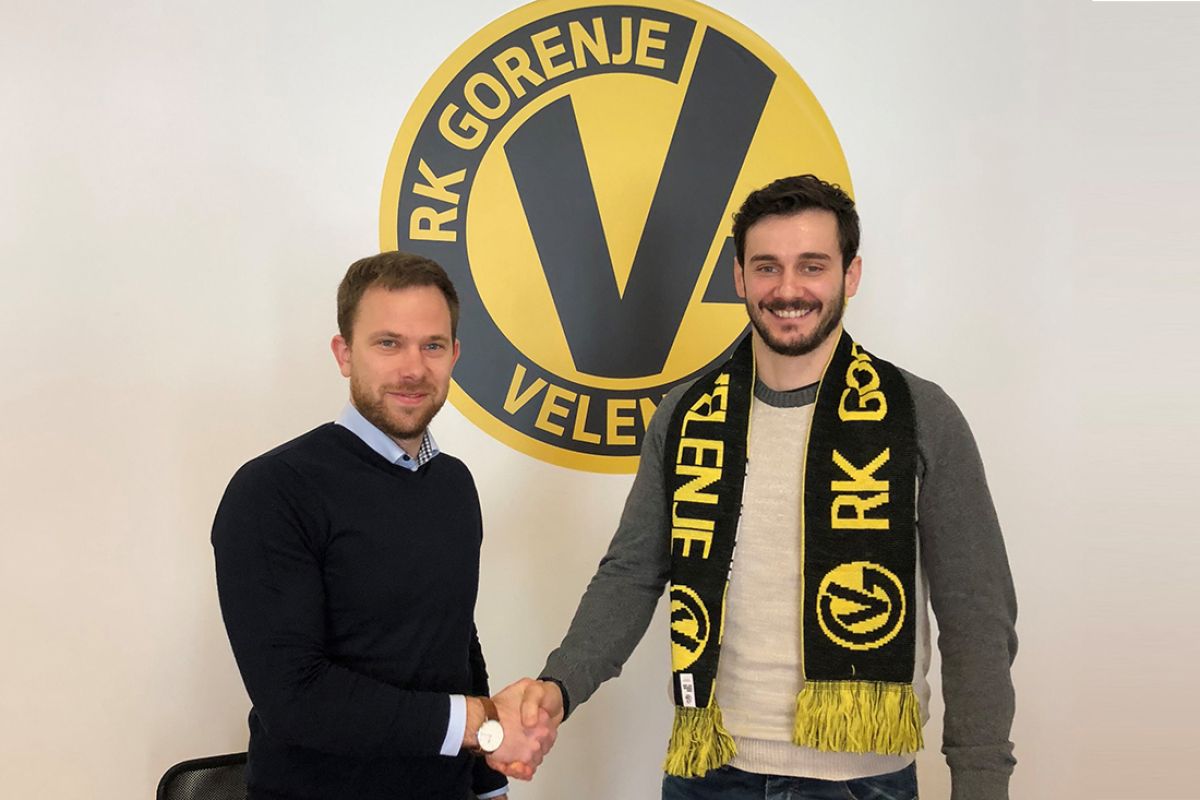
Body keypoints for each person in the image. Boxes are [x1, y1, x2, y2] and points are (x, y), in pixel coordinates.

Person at [509, 176, 1018, 799]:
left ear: (851, 275)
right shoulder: (685, 414)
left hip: (858, 781)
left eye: (812, 266)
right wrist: (559, 685)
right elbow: (633, 573)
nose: (787, 289)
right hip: (706, 772)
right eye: (767, 266)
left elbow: (976, 614)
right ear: (739, 278)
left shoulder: (920, 414)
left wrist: (982, 782)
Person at [212, 252, 553, 800]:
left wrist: (489, 785)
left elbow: (455, 644)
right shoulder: (273, 490)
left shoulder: (453, 484)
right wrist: (479, 722)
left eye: (432, 346)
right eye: (388, 343)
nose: (413, 369)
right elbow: (295, 699)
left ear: (454, 355)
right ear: (344, 354)